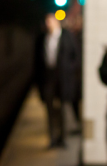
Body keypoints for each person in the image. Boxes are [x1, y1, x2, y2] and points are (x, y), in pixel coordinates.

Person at [33, 12, 79, 148]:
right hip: (48, 78)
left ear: (56, 22)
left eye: (50, 21)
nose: (48, 24)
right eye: (46, 22)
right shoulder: (41, 38)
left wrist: (69, 70)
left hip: (64, 78)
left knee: (64, 108)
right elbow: (36, 61)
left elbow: (76, 57)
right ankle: (52, 138)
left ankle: (63, 138)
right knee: (49, 109)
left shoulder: (67, 36)